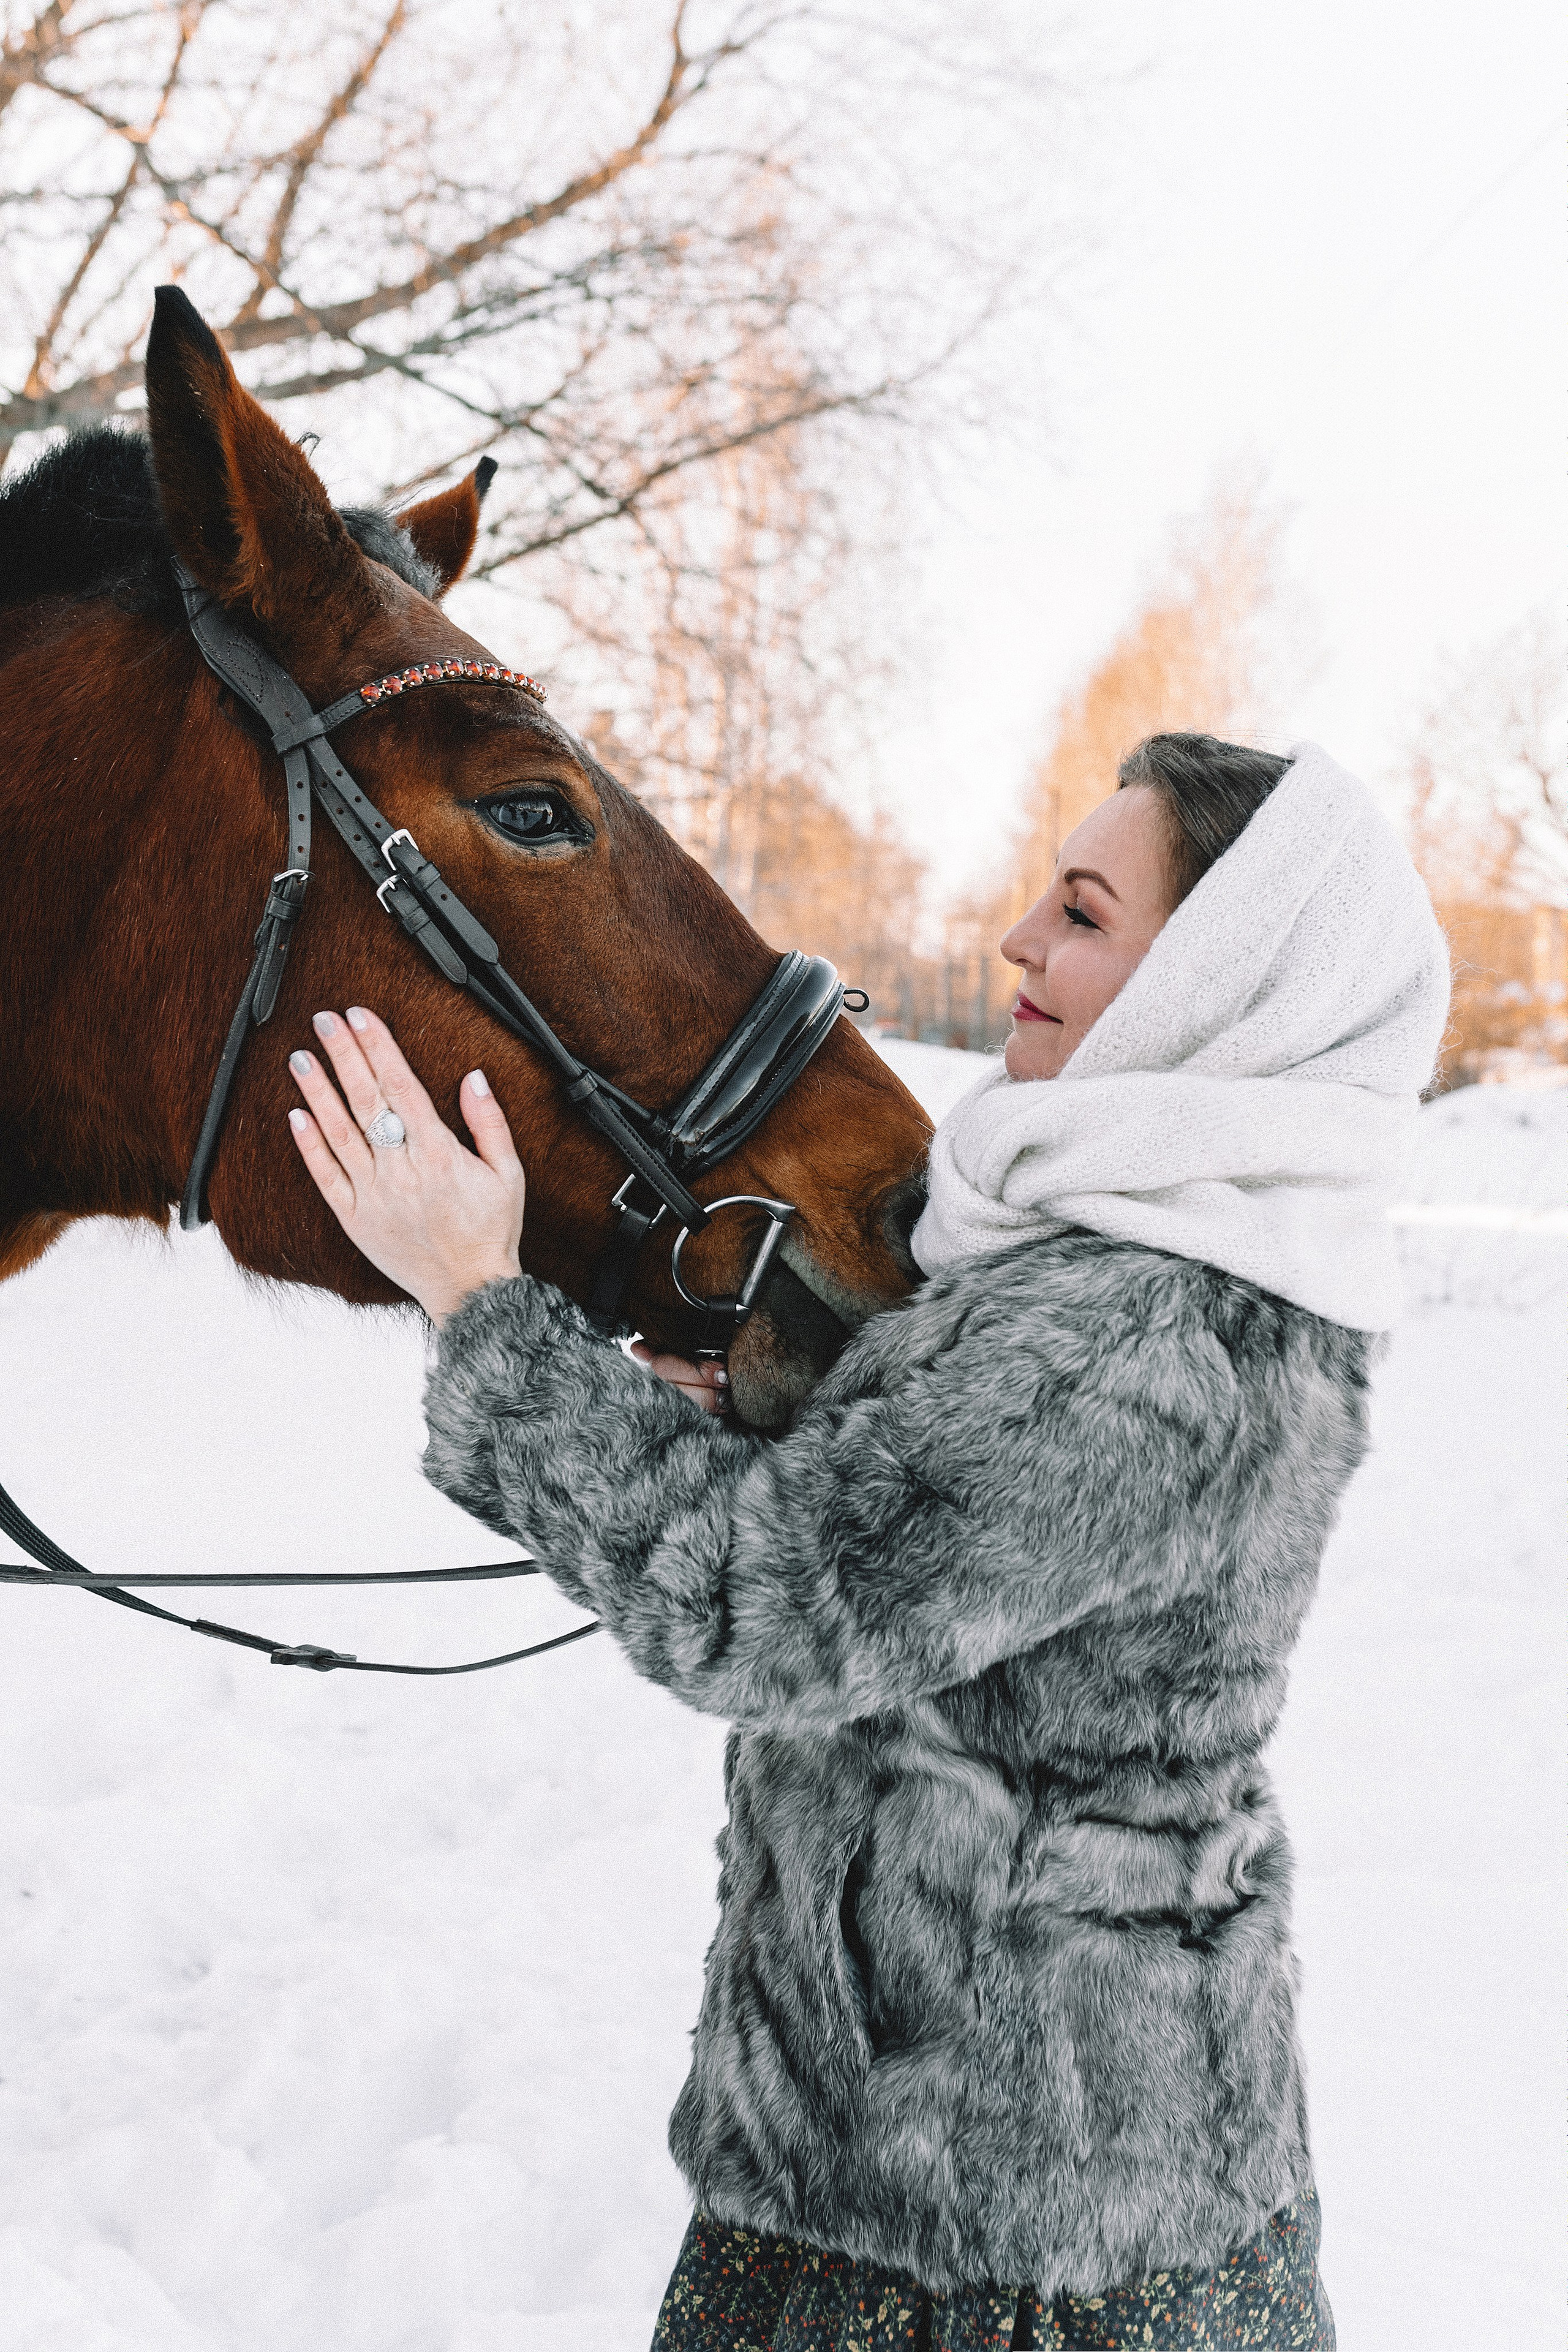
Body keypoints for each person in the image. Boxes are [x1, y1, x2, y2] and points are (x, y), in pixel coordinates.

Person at [283, 733, 1450, 2349]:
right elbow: (979, 1571)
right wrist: (802, 1416)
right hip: (1031, 2161)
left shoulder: (1136, 1332)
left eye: (1088, 914)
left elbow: (762, 1615)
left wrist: (479, 1303)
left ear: (1212, 984)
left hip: (975, 2233)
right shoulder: (1164, 1259)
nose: (1020, 942)